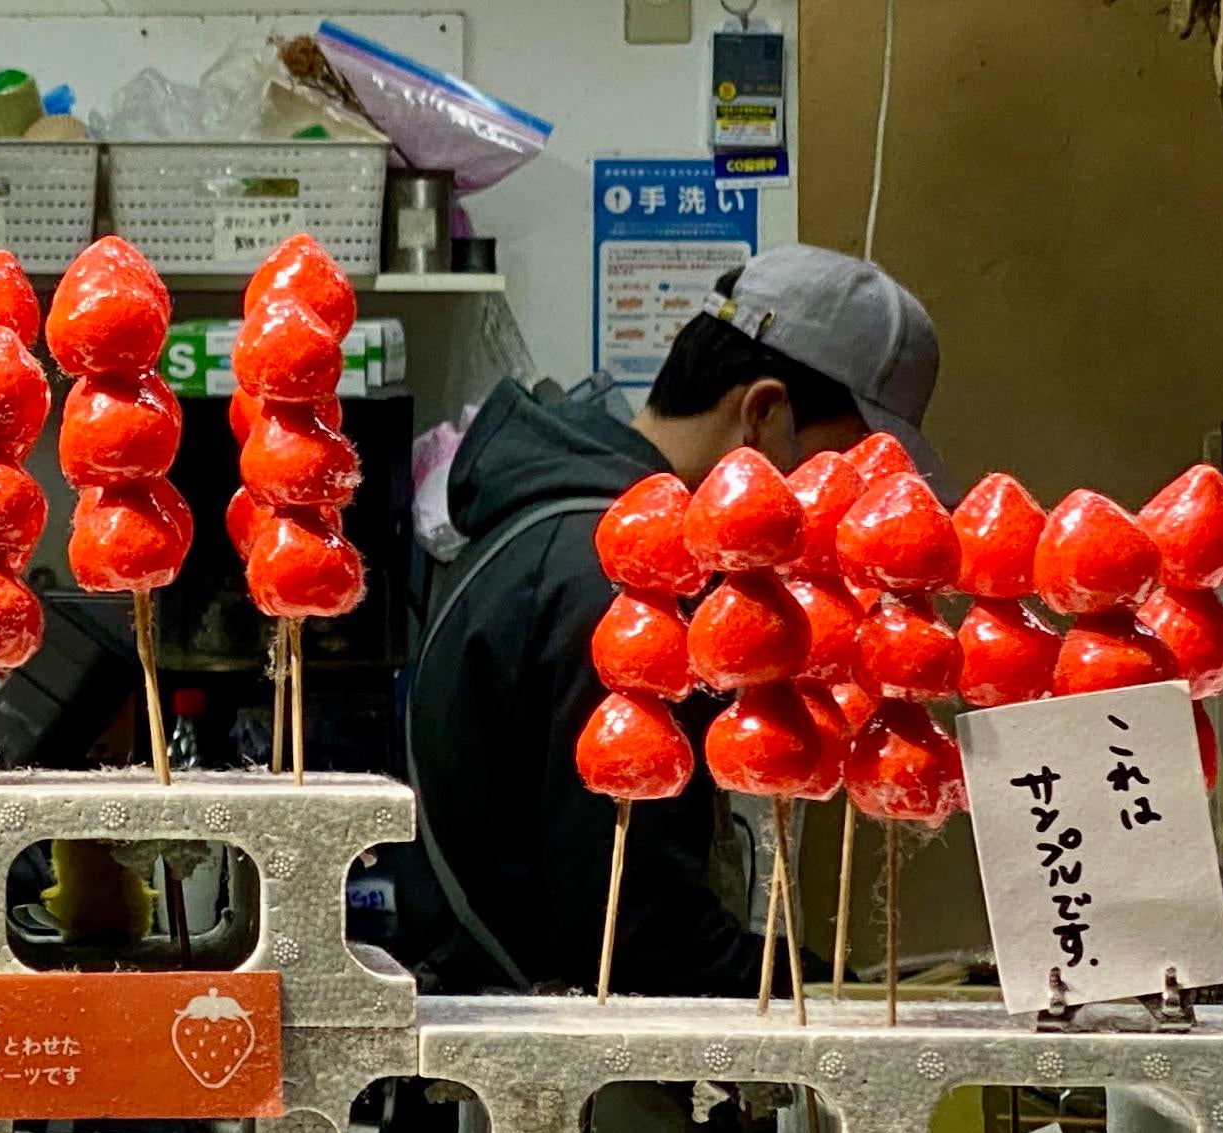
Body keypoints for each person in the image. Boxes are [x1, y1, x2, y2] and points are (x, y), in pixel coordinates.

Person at [396, 245, 942, 996]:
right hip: (566, 1078)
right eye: (833, 468)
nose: (845, 504)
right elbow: (636, 941)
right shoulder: (627, 586)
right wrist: (829, 994)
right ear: (762, 414)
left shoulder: (547, 529)